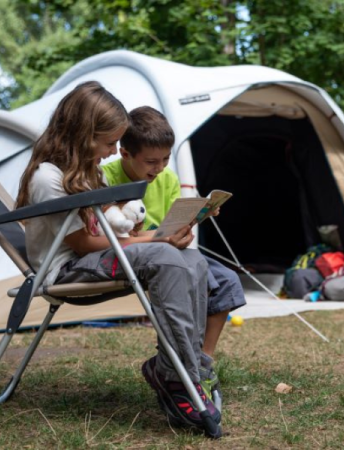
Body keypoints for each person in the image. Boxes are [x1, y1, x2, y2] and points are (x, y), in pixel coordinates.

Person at [15, 81, 220, 430]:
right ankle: (178, 379)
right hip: (67, 269)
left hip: (96, 258)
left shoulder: (86, 172)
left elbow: (115, 233)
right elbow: (85, 245)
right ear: (83, 133)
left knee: (193, 259)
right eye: (109, 142)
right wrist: (158, 244)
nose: (112, 152)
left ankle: (182, 368)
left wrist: (165, 235)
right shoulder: (49, 177)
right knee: (166, 258)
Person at [102, 106, 247, 398]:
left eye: (166, 159)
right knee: (184, 273)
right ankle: (180, 368)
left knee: (227, 280)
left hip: (166, 247)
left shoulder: (166, 178)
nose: (159, 168)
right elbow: (120, 234)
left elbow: (172, 224)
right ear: (124, 153)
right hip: (140, 254)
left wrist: (191, 223)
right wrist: (165, 239)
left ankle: (202, 361)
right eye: (151, 161)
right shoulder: (104, 177)